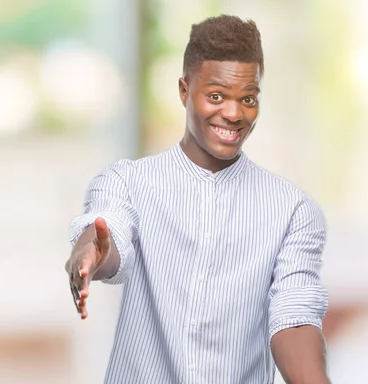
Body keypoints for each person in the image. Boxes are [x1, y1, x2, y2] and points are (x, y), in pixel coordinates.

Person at [65, 14, 331, 384]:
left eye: (248, 98)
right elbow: (111, 238)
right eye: (217, 96)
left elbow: (294, 315)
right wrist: (91, 252)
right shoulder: (126, 182)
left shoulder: (294, 211)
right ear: (184, 90)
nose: (235, 114)